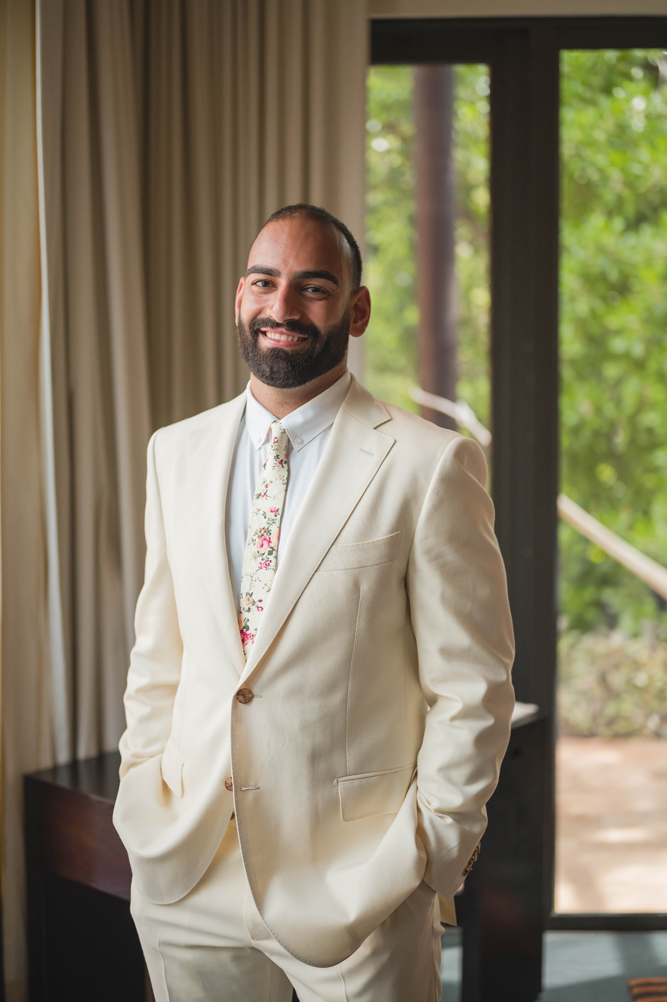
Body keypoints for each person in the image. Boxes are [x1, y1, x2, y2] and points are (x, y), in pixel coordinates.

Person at [113, 203, 515, 1002]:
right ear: (239, 297)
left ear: (356, 309)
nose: (283, 307)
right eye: (265, 283)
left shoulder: (430, 466)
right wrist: (140, 785)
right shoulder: (175, 452)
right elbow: (161, 651)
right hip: (186, 873)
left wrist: (430, 849)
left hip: (358, 882)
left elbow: (472, 686)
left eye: (313, 287)